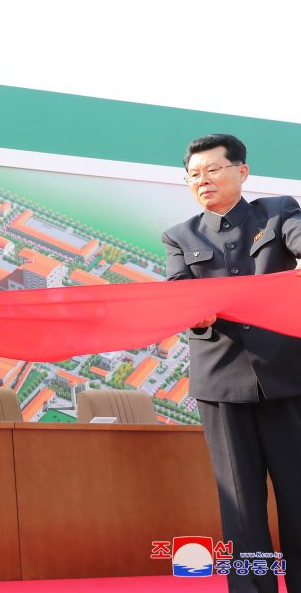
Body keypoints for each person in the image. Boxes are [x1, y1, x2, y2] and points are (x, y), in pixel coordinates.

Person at [163, 134, 301, 593]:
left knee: (299, 496)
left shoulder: (278, 211)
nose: (202, 180)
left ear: (241, 171)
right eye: (193, 175)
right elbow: (179, 295)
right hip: (220, 386)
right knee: (241, 507)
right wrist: (192, 311)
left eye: (213, 170)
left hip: (288, 377)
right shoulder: (180, 236)